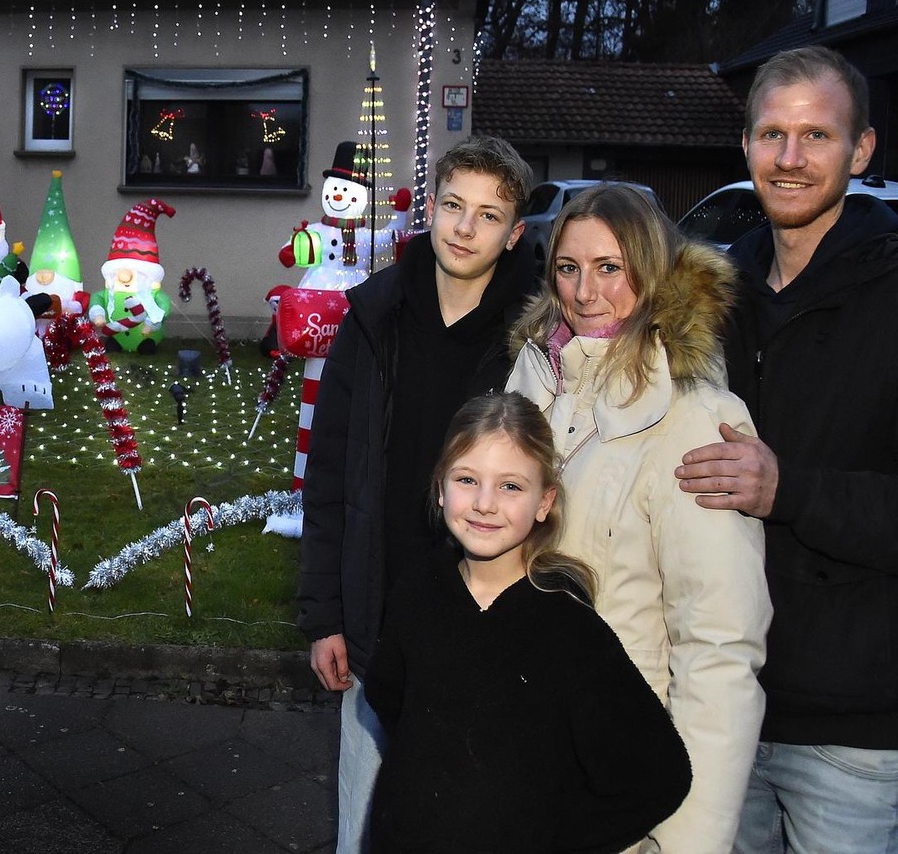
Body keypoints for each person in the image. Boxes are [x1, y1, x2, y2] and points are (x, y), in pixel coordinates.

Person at [671, 46, 898, 853]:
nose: (791, 159)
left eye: (817, 136)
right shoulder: (711, 298)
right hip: (718, 705)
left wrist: (788, 490)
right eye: (772, 134)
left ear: (861, 150)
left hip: (854, 730)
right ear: (745, 147)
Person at [507, 183, 770, 852]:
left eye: (609, 268)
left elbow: (718, 648)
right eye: (568, 268)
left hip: (621, 781)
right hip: (522, 763)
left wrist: (683, 840)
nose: (586, 292)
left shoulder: (695, 420)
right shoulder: (532, 380)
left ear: (651, 273)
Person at [297, 134, 537, 853]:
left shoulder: (535, 340)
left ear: (515, 233)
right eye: (454, 206)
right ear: (428, 209)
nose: (465, 228)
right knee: (365, 827)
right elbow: (330, 472)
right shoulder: (372, 320)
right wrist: (325, 616)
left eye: (489, 215)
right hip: (380, 617)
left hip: (484, 628)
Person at [364, 391, 691, 853]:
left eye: (511, 486)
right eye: (466, 479)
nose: (484, 503)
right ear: (440, 488)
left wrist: (553, 836)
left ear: (544, 501)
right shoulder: (415, 593)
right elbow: (388, 695)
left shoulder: (569, 630)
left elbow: (658, 775)